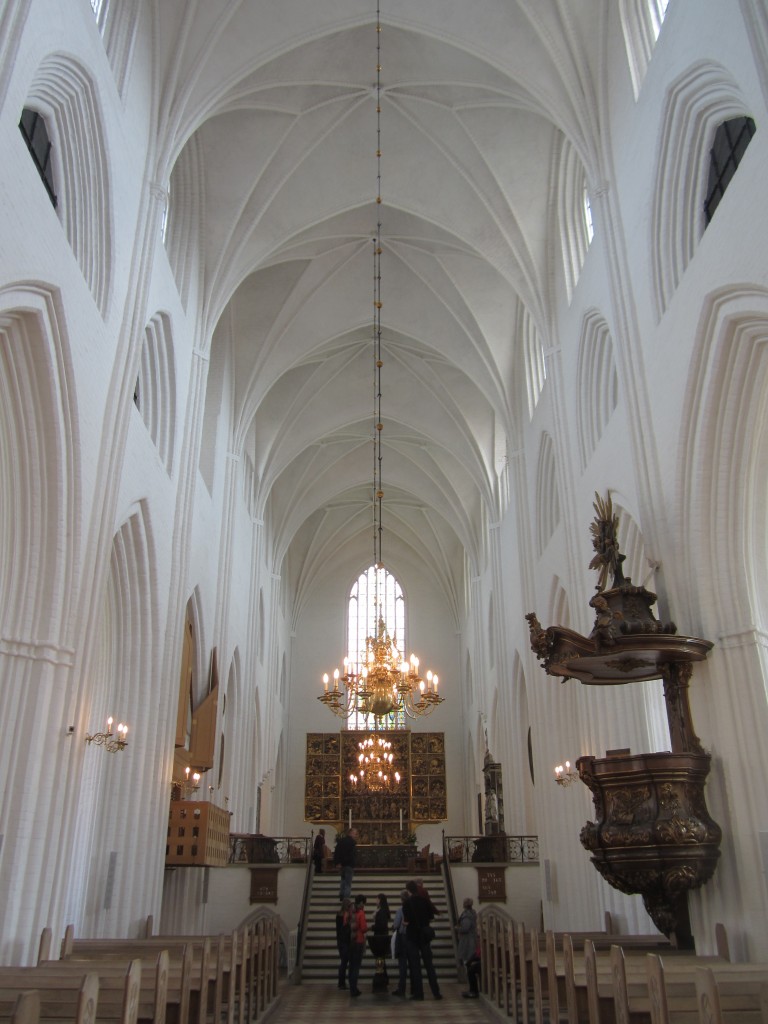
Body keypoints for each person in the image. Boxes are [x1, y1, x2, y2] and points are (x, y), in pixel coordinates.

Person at [402, 879, 442, 1000]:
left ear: (408, 891)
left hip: (413, 936)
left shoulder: (407, 904)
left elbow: (406, 920)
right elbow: (431, 916)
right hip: (424, 937)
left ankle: (419, 994)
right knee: (429, 965)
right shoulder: (424, 901)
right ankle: (436, 992)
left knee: (415, 967)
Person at [390, 889, 410, 998]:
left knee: (402, 964)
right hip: (412, 938)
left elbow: (396, 924)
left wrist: (393, 927)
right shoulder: (412, 908)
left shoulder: (401, 910)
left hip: (403, 937)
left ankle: (401, 988)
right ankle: (414, 988)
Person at [347, 893, 367, 998]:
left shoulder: (351, 911)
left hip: (351, 940)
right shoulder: (361, 913)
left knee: (351, 966)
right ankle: (354, 989)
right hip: (358, 940)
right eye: (364, 903)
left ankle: (352, 987)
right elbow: (363, 928)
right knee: (356, 966)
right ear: (361, 903)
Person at [333, 827, 358, 899]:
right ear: (350, 833)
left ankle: (341, 894)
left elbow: (337, 853)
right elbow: (351, 855)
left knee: (343, 880)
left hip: (341, 865)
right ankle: (346, 899)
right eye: (355, 834)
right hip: (349, 865)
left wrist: (337, 863)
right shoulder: (352, 843)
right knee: (348, 883)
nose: (356, 836)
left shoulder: (341, 841)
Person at [335, 897, 353, 990]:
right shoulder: (346, 916)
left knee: (343, 962)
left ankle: (341, 982)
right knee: (344, 962)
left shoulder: (338, 915)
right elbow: (346, 928)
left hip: (340, 941)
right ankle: (342, 983)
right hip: (345, 941)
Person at [456, 896, 478, 973]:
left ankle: (468, 976)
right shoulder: (472, 913)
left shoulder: (466, 916)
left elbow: (465, 928)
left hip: (467, 940)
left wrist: (457, 929)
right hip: (471, 938)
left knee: (467, 959)